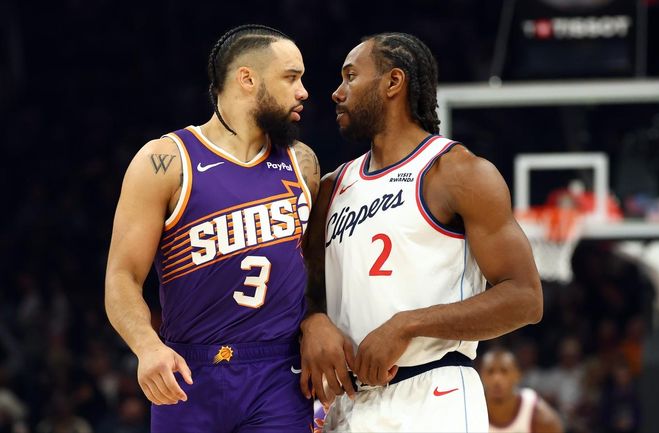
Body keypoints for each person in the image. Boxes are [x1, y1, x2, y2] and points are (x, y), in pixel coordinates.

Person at [299, 32, 543, 433]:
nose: (337, 93)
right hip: (350, 404)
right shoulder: (332, 187)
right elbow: (306, 292)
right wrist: (312, 321)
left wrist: (408, 324)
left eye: (350, 77)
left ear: (393, 82)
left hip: (435, 392)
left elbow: (525, 299)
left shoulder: (457, 172)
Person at [105, 24, 319, 433]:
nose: (303, 91)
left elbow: (315, 267)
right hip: (189, 369)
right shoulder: (166, 161)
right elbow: (122, 276)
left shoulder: (302, 162)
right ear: (247, 79)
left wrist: (317, 319)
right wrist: (147, 346)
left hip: (279, 372)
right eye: (291, 77)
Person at [480, 347, 564, 433]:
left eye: (504, 371)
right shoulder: (473, 406)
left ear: (517, 375)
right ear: (481, 375)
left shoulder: (534, 410)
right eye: (490, 371)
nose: (496, 379)